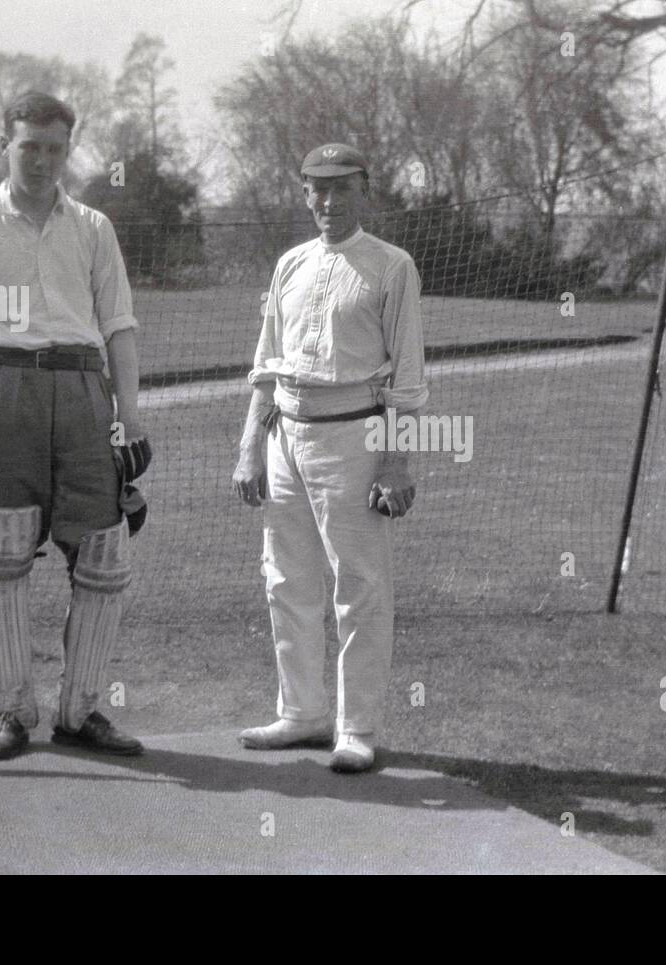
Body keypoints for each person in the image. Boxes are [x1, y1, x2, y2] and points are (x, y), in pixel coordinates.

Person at [0, 91, 151, 761]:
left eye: (54, 147)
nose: (42, 160)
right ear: (4, 145)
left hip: (83, 393)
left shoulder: (93, 228)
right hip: (5, 392)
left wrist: (128, 417)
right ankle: (11, 711)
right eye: (28, 147)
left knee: (104, 555)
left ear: (67, 149)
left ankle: (81, 710)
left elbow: (120, 328)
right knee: (1, 554)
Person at [231, 143, 428, 773]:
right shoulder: (288, 265)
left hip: (354, 439)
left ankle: (357, 728)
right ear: (304, 193)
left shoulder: (391, 267)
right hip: (286, 437)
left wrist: (396, 462)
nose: (328, 200)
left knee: (360, 587)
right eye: (317, 187)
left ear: (365, 190)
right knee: (286, 581)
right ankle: (302, 713)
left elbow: (406, 377)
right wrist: (249, 451)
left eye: (342, 187)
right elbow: (266, 365)